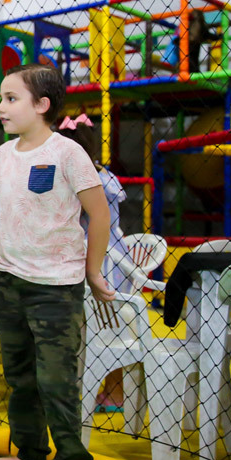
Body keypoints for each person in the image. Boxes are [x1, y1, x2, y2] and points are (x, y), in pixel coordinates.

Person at [0, 64, 114, 460]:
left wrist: (94, 271)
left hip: (56, 286)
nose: (1, 107)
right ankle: (30, 456)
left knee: (56, 380)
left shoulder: (67, 153)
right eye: (1, 98)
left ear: (42, 105)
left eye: (11, 98)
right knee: (19, 376)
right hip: (9, 279)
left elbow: (99, 213)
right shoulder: (4, 154)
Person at [56, 113, 130, 412]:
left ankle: (115, 390)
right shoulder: (102, 174)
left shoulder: (87, 180)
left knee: (107, 326)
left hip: (103, 258)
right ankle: (107, 387)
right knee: (104, 327)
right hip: (112, 255)